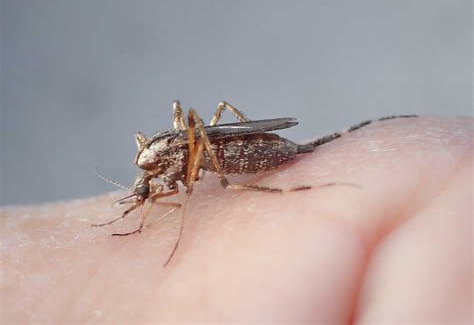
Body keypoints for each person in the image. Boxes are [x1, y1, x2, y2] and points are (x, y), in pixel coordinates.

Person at [1, 116, 472, 323]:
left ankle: (253, 176)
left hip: (240, 153)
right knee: (204, 143)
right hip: (210, 147)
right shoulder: (157, 165)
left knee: (217, 172)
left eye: (143, 194)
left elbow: (186, 158)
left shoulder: (171, 166)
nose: (145, 194)